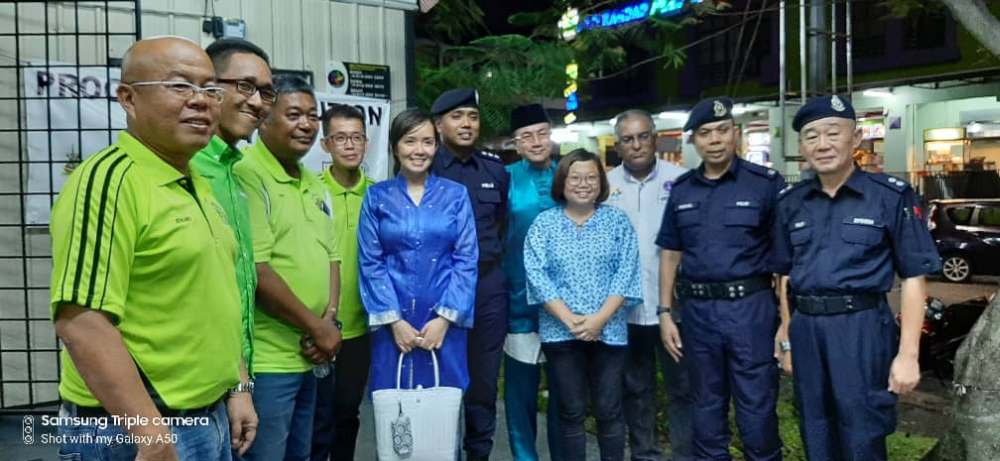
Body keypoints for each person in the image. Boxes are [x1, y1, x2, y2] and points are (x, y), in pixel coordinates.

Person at [49, 36, 249, 461]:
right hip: (131, 430)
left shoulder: (198, 182)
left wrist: (239, 388)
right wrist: (151, 435)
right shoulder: (108, 182)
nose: (201, 102)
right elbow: (82, 322)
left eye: (211, 90)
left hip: (206, 418)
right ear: (128, 98)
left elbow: (216, 302)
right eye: (179, 86)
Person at [773, 95, 941, 460]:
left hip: (861, 329)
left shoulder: (889, 197)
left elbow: (914, 277)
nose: (822, 144)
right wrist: (786, 333)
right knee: (815, 431)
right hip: (807, 330)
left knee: (862, 435)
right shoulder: (791, 202)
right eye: (811, 136)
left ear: (856, 138)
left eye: (833, 133)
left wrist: (908, 355)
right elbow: (784, 273)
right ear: (802, 146)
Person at [655, 97, 784, 461]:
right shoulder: (682, 191)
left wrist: (785, 324)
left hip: (750, 311)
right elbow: (670, 253)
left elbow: (783, 263)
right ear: (694, 141)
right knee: (706, 408)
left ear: (736, 134)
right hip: (697, 313)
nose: (715, 140)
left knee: (756, 408)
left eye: (722, 131)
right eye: (705, 133)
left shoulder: (764, 185)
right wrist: (665, 312)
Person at [236, 76, 342, 461]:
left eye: (313, 116)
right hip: (268, 362)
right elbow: (257, 270)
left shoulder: (315, 183)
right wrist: (318, 328)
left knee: (306, 453)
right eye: (294, 114)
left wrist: (328, 320)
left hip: (312, 353)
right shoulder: (247, 174)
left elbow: (332, 258)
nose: (307, 124)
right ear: (264, 119)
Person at [524, 149, 642, 461]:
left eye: (591, 177)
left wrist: (598, 320)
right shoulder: (544, 224)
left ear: (601, 182)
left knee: (609, 410)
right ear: (562, 182)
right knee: (570, 412)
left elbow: (626, 272)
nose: (583, 183)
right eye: (575, 177)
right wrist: (570, 319)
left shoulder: (617, 221)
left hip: (609, 331)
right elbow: (537, 275)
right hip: (560, 334)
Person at [358, 107, 478, 407]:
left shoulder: (456, 195)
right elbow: (370, 262)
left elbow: (467, 259)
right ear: (395, 147)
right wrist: (394, 321)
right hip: (392, 325)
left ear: (436, 146)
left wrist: (445, 319)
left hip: (444, 325)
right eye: (410, 141)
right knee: (395, 414)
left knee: (443, 412)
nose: (419, 150)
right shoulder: (376, 197)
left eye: (427, 142)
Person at [191, 38, 274, 456]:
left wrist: (239, 384)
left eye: (265, 91)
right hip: (175, 398)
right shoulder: (186, 165)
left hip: (227, 380)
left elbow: (230, 287)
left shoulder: (233, 171)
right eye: (245, 86)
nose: (257, 102)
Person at [605, 109, 692, 461]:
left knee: (683, 389)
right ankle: (645, 455)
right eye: (628, 139)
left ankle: (686, 455)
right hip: (624, 310)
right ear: (618, 146)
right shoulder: (604, 185)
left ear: (655, 138)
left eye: (643, 136)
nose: (636, 144)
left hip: (675, 309)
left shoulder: (682, 180)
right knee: (636, 389)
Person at [429, 88, 510, 461]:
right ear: (438, 123)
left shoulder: (494, 169)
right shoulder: (425, 167)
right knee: (441, 382)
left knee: (483, 384)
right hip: (439, 285)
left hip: (487, 285)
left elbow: (500, 226)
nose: (466, 124)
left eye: (473, 117)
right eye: (457, 116)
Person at [311, 103, 376, 461]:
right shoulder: (312, 192)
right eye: (340, 138)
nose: (349, 145)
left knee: (348, 414)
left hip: (362, 329)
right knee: (318, 420)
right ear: (326, 145)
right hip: (318, 324)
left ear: (366, 142)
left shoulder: (380, 194)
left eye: (356, 137)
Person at [501, 103, 563, 461]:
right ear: (516, 143)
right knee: (520, 396)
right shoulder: (505, 178)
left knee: (564, 395)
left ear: (551, 135)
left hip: (567, 307)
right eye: (527, 136)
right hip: (520, 302)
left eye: (542, 133)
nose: (536, 141)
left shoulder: (568, 175)